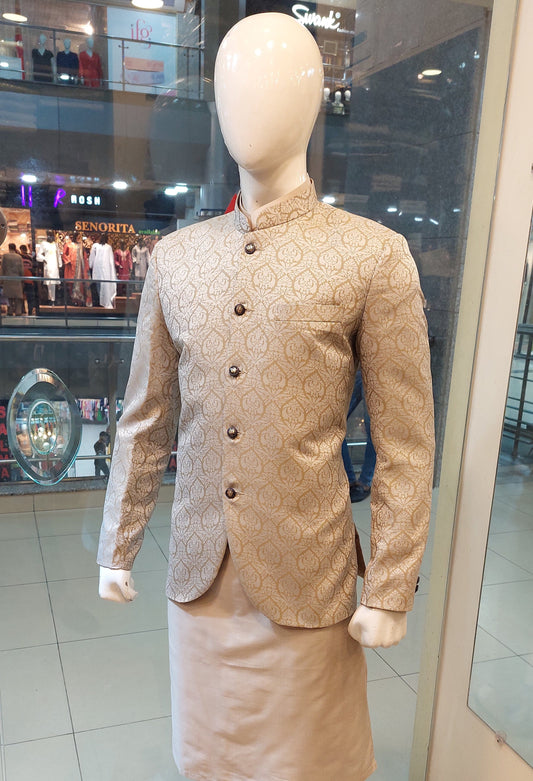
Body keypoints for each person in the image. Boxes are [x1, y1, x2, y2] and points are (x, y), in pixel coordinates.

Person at [97, 14, 434, 781]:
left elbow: (406, 443)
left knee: (308, 766)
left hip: (307, 581)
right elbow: (145, 419)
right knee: (208, 762)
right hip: (200, 583)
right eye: (233, 87)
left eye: (274, 85)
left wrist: (389, 586)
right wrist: (117, 544)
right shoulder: (175, 260)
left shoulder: (373, 256)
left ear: (312, 102)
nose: (251, 104)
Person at [343, 370, 376, 502]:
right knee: (334, 424)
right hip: (352, 369)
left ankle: (364, 481)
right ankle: (351, 480)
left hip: (374, 369)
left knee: (373, 428)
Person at [0, 243, 24, 315]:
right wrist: (22, 278)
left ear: (9, 248)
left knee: (9, 297)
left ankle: (10, 311)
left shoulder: (5, 256)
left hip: (8, 278)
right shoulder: (19, 257)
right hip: (17, 278)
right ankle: (18, 311)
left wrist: (1, 279)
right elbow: (21, 269)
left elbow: (3, 268)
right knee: (18, 297)